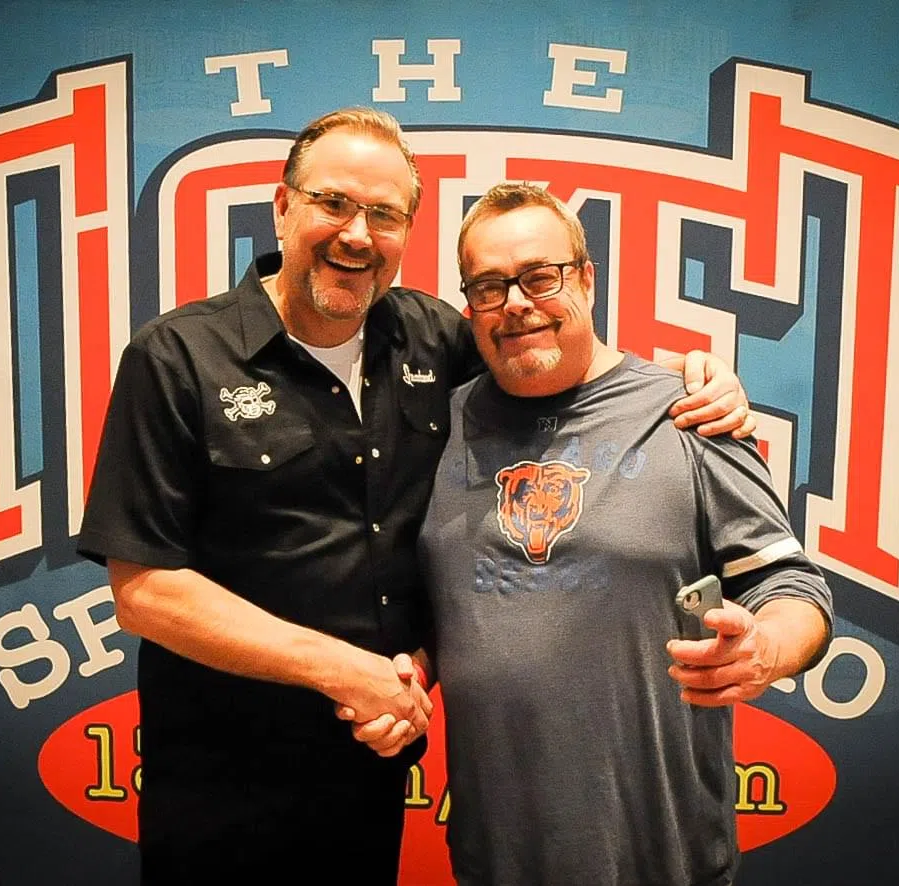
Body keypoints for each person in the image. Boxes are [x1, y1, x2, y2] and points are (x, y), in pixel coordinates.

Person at [77, 108, 754, 884]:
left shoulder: (434, 338)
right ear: (283, 206)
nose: (356, 234)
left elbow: (549, 353)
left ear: (406, 231)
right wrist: (343, 671)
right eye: (333, 203)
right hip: (222, 783)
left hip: (373, 768)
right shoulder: (176, 356)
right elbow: (145, 594)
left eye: (384, 214)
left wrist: (684, 376)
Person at [348, 183, 832, 886]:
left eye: (540, 277)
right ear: (469, 305)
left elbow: (791, 585)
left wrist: (767, 649)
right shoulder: (434, 427)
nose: (516, 303)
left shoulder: (687, 413)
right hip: (493, 861)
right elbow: (427, 605)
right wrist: (404, 674)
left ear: (586, 279)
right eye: (489, 286)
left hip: (664, 860)